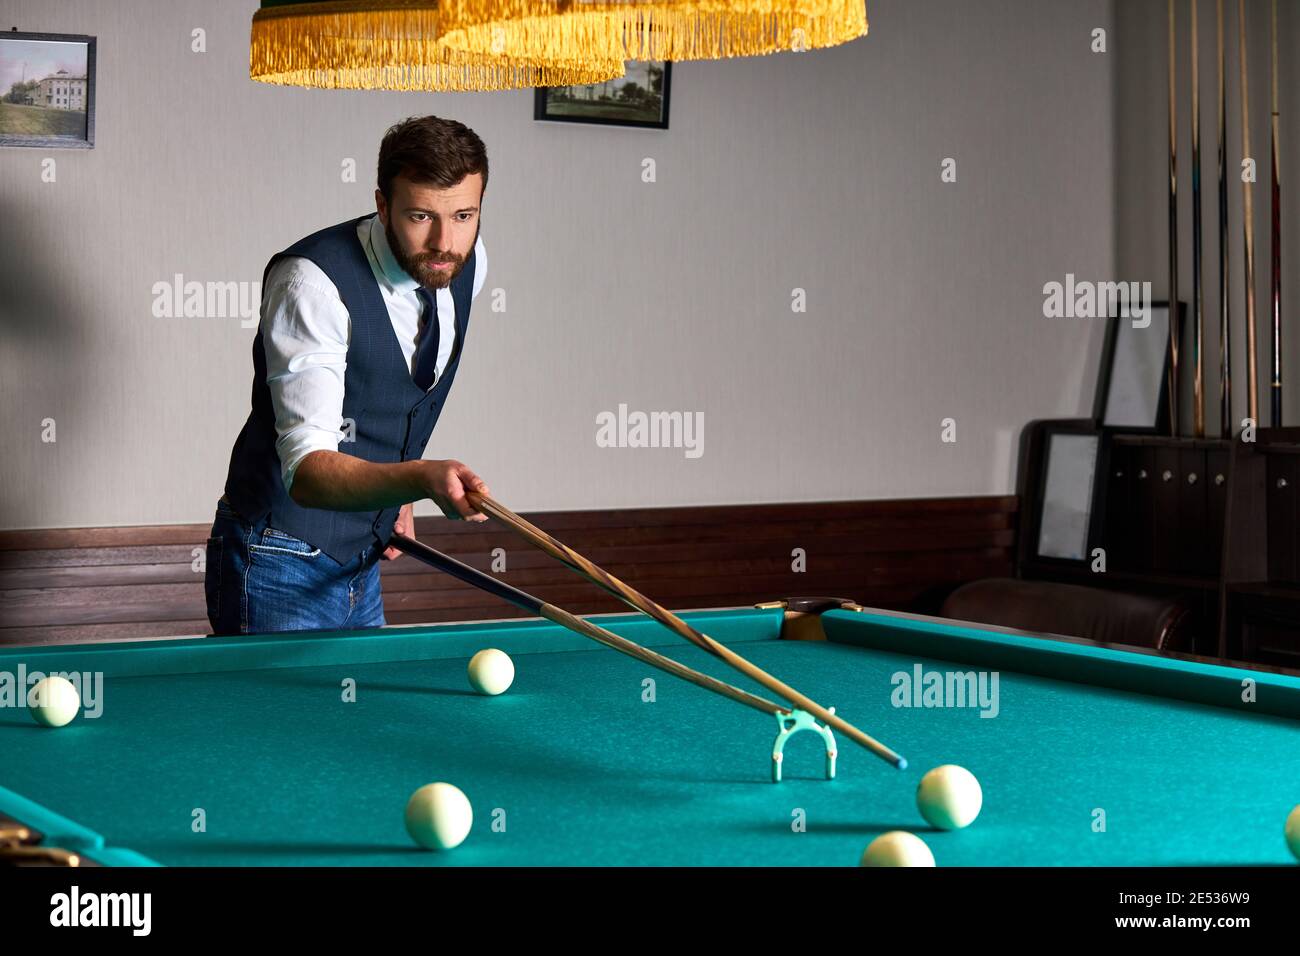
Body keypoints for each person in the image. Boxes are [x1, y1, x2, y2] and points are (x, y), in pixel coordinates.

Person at [205, 115, 492, 635]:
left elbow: (400, 403)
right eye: (421, 215)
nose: (445, 241)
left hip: (363, 554)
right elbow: (308, 470)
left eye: (465, 215)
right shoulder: (312, 284)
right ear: (382, 205)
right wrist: (420, 478)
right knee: (280, 720)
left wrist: (395, 493)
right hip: (280, 556)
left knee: (357, 718)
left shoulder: (464, 264)